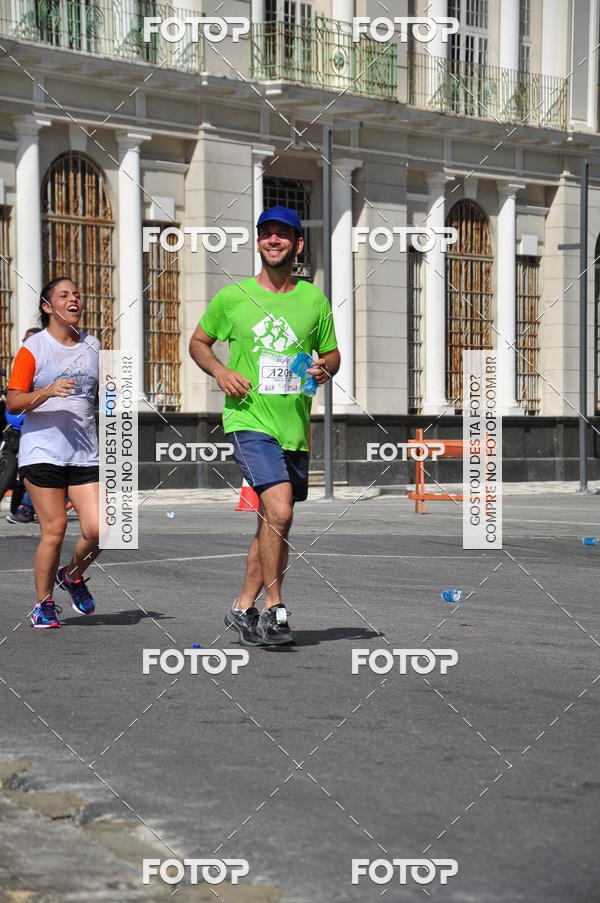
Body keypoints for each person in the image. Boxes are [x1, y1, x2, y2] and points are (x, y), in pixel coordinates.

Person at [189, 205, 340, 646]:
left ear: (298, 244)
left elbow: (332, 354)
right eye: (266, 233)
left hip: (294, 426)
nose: (273, 240)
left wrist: (325, 368)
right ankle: (275, 610)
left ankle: (241, 609)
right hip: (248, 419)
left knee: (274, 522)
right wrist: (220, 372)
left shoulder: (313, 300)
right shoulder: (232, 298)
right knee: (280, 511)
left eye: (282, 234)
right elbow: (198, 342)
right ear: (258, 243)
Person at [6, 278, 101, 628]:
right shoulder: (34, 347)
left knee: (101, 530)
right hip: (43, 451)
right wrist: (46, 391)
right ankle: (42, 604)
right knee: (55, 529)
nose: (74, 299)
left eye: (77, 294)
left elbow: (98, 394)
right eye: (64, 295)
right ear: (48, 307)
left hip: (85, 453)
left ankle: (71, 576)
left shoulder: (93, 345)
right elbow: (13, 402)